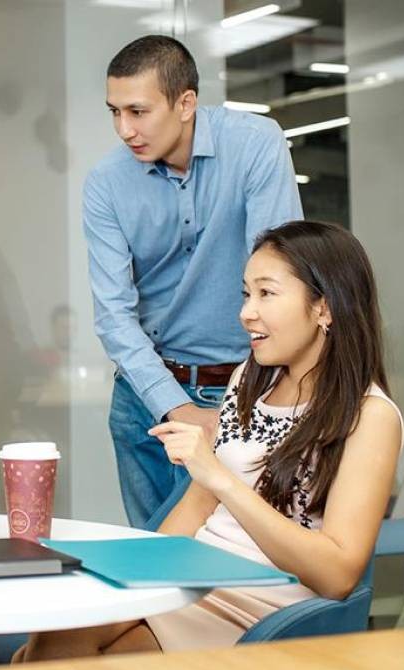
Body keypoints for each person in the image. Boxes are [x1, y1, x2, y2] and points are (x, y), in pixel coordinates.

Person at [18, 220, 404, 660]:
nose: (246, 313)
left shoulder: (370, 416)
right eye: (246, 293)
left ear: (324, 308)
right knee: (58, 635)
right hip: (197, 574)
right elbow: (198, 506)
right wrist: (137, 574)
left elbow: (337, 575)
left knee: (57, 651)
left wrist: (220, 479)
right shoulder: (250, 379)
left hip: (266, 604)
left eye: (266, 293)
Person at [84, 35, 303, 527]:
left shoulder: (254, 144)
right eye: (115, 112)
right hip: (144, 398)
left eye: (138, 112)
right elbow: (113, 315)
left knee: (223, 553)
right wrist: (175, 407)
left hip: (242, 391)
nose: (124, 129)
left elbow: (277, 279)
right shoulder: (106, 183)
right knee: (152, 557)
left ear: (185, 104)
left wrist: (248, 400)